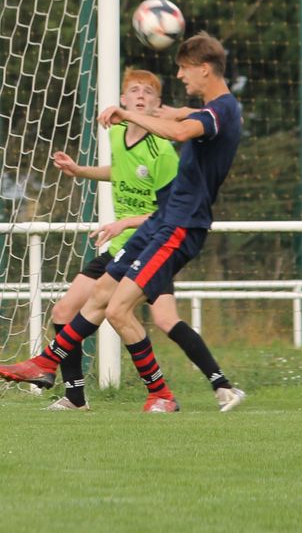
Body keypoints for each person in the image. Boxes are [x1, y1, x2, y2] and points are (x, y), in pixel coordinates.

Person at [0, 33, 243, 413]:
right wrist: (162, 112)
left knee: (119, 309)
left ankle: (164, 394)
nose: (179, 75)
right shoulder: (211, 109)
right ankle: (47, 364)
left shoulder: (221, 111)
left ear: (204, 69)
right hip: (160, 223)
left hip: (181, 225)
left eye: (184, 68)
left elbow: (180, 131)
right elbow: (180, 117)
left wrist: (130, 114)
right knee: (99, 296)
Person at [46, 68, 238, 411]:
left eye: (148, 93)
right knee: (63, 310)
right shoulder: (117, 134)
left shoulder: (163, 152)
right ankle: (75, 397)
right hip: (121, 249)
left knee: (160, 318)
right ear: (122, 99)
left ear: (157, 105)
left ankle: (217, 385)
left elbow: (169, 210)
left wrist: (125, 222)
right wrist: (81, 171)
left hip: (153, 245)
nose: (140, 96)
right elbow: (122, 172)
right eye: (134, 90)